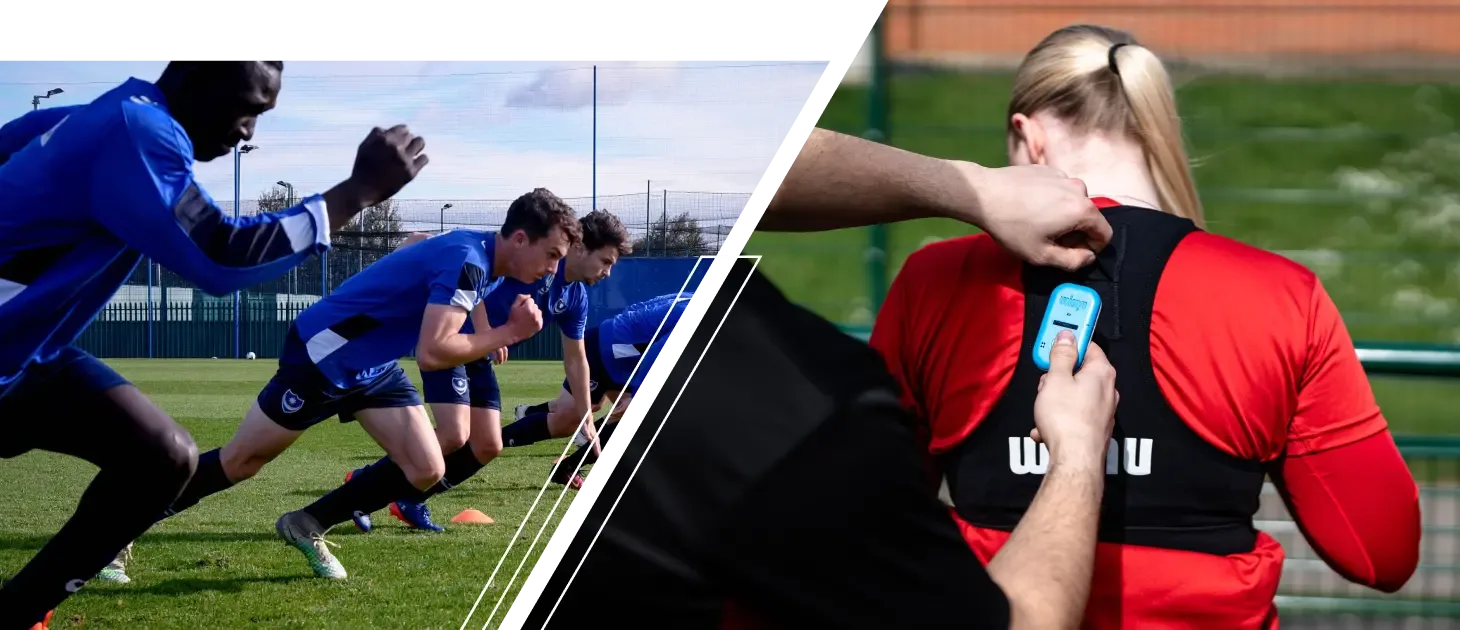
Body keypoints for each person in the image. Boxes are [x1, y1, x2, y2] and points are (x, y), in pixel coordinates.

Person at [869, 25, 1422, 628]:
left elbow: (869, 520)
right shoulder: (1278, 296)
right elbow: (1380, 552)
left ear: (1028, 140)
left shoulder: (937, 284)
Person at [0, 57, 429, 630]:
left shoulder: (83, 120)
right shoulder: (137, 131)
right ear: (194, 74)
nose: (247, 132)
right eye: (247, 108)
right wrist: (356, 192)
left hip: (25, 357)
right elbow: (220, 256)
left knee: (161, 458)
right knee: (159, 459)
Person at [107, 188, 580, 584]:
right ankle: (112, 533)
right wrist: (508, 334)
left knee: (426, 467)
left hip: (372, 367)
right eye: (552, 255)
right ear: (520, 238)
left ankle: (306, 522)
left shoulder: (476, 255)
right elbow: (434, 351)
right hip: (324, 355)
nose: (554, 269)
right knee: (241, 461)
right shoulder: (469, 261)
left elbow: (420, 270)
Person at [346, 209, 633, 533]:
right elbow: (479, 278)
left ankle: (411, 498)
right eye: (606, 261)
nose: (607, 272)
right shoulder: (537, 265)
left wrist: (585, 418)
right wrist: (486, 330)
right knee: (454, 435)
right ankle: (362, 488)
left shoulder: (575, 296)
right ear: (580, 248)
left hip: (479, 355)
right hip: (453, 342)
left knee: (487, 444)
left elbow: (576, 358)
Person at [513, 290, 701, 491]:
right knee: (567, 419)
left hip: (611, 344)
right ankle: (490, 443)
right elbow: (660, 351)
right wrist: (638, 393)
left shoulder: (693, 297)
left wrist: (625, 326)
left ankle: (563, 458)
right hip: (610, 350)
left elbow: (647, 305)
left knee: (604, 414)